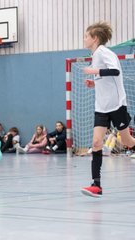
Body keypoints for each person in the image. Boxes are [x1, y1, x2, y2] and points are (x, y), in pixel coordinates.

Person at [81, 22, 135, 198]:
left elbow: (115, 71)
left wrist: (94, 71)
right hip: (101, 107)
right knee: (96, 143)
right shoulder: (95, 55)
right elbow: (105, 78)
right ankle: (96, 185)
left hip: (117, 105)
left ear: (95, 38)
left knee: (127, 141)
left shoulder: (104, 52)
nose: (84, 39)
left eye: (86, 36)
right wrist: (94, 82)